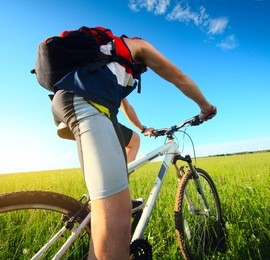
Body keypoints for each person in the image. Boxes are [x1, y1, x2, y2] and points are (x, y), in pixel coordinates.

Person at [51, 33, 217, 260]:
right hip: (85, 104)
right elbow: (178, 76)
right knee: (117, 219)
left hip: (83, 104)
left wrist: (142, 128)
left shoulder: (111, 61)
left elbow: (125, 106)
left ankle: (117, 191)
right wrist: (205, 107)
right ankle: (116, 202)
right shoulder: (139, 45)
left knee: (133, 142)